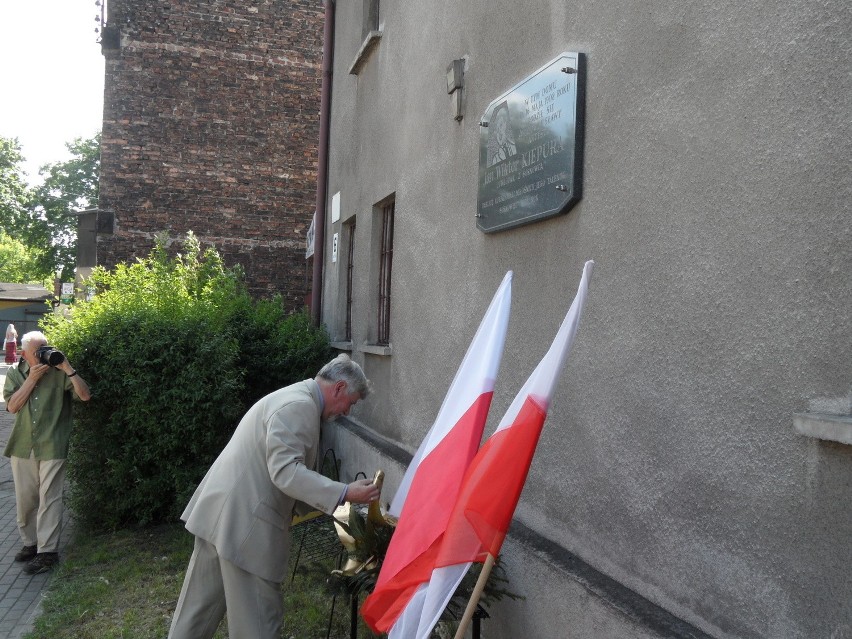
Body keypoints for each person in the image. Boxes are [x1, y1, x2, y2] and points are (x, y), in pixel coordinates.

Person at [168, 353, 381, 639]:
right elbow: (286, 473)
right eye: (350, 403)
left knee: (195, 616)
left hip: (220, 516)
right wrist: (344, 492)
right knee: (258, 624)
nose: (347, 412)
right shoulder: (300, 406)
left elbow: (282, 473)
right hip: (246, 530)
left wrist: (339, 496)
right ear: (339, 388)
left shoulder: (295, 398)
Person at [3, 331, 91, 574]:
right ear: (25, 354)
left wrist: (68, 368)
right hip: (22, 445)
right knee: (26, 500)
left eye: (45, 348)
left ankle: (47, 552)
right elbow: (12, 407)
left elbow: (85, 396)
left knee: (50, 498)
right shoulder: (15, 373)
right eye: (38, 352)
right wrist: (31, 379)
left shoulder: (59, 372)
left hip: (53, 443)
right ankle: (30, 544)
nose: (43, 355)